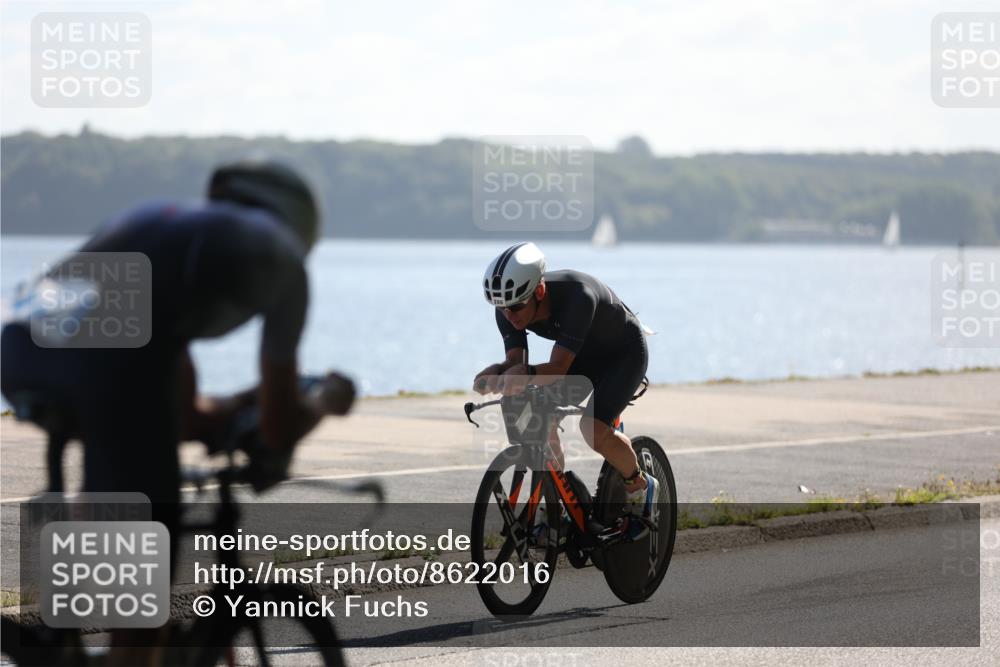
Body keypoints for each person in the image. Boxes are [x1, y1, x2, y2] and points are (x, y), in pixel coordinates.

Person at [1, 160, 353, 663]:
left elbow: (181, 411)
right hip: (109, 371)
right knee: (139, 624)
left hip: (18, 352)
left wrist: (236, 403)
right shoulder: (280, 258)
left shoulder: (167, 226)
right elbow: (276, 432)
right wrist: (323, 402)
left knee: (126, 501)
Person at [473, 242, 657, 543]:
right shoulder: (508, 306)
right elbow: (515, 363)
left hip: (622, 354)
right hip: (582, 356)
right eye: (501, 308)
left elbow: (557, 367)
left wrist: (525, 374)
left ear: (540, 292)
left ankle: (639, 486)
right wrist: (495, 373)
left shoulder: (577, 297)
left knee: (593, 428)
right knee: (538, 415)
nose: (509, 315)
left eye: (516, 306)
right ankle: (555, 501)